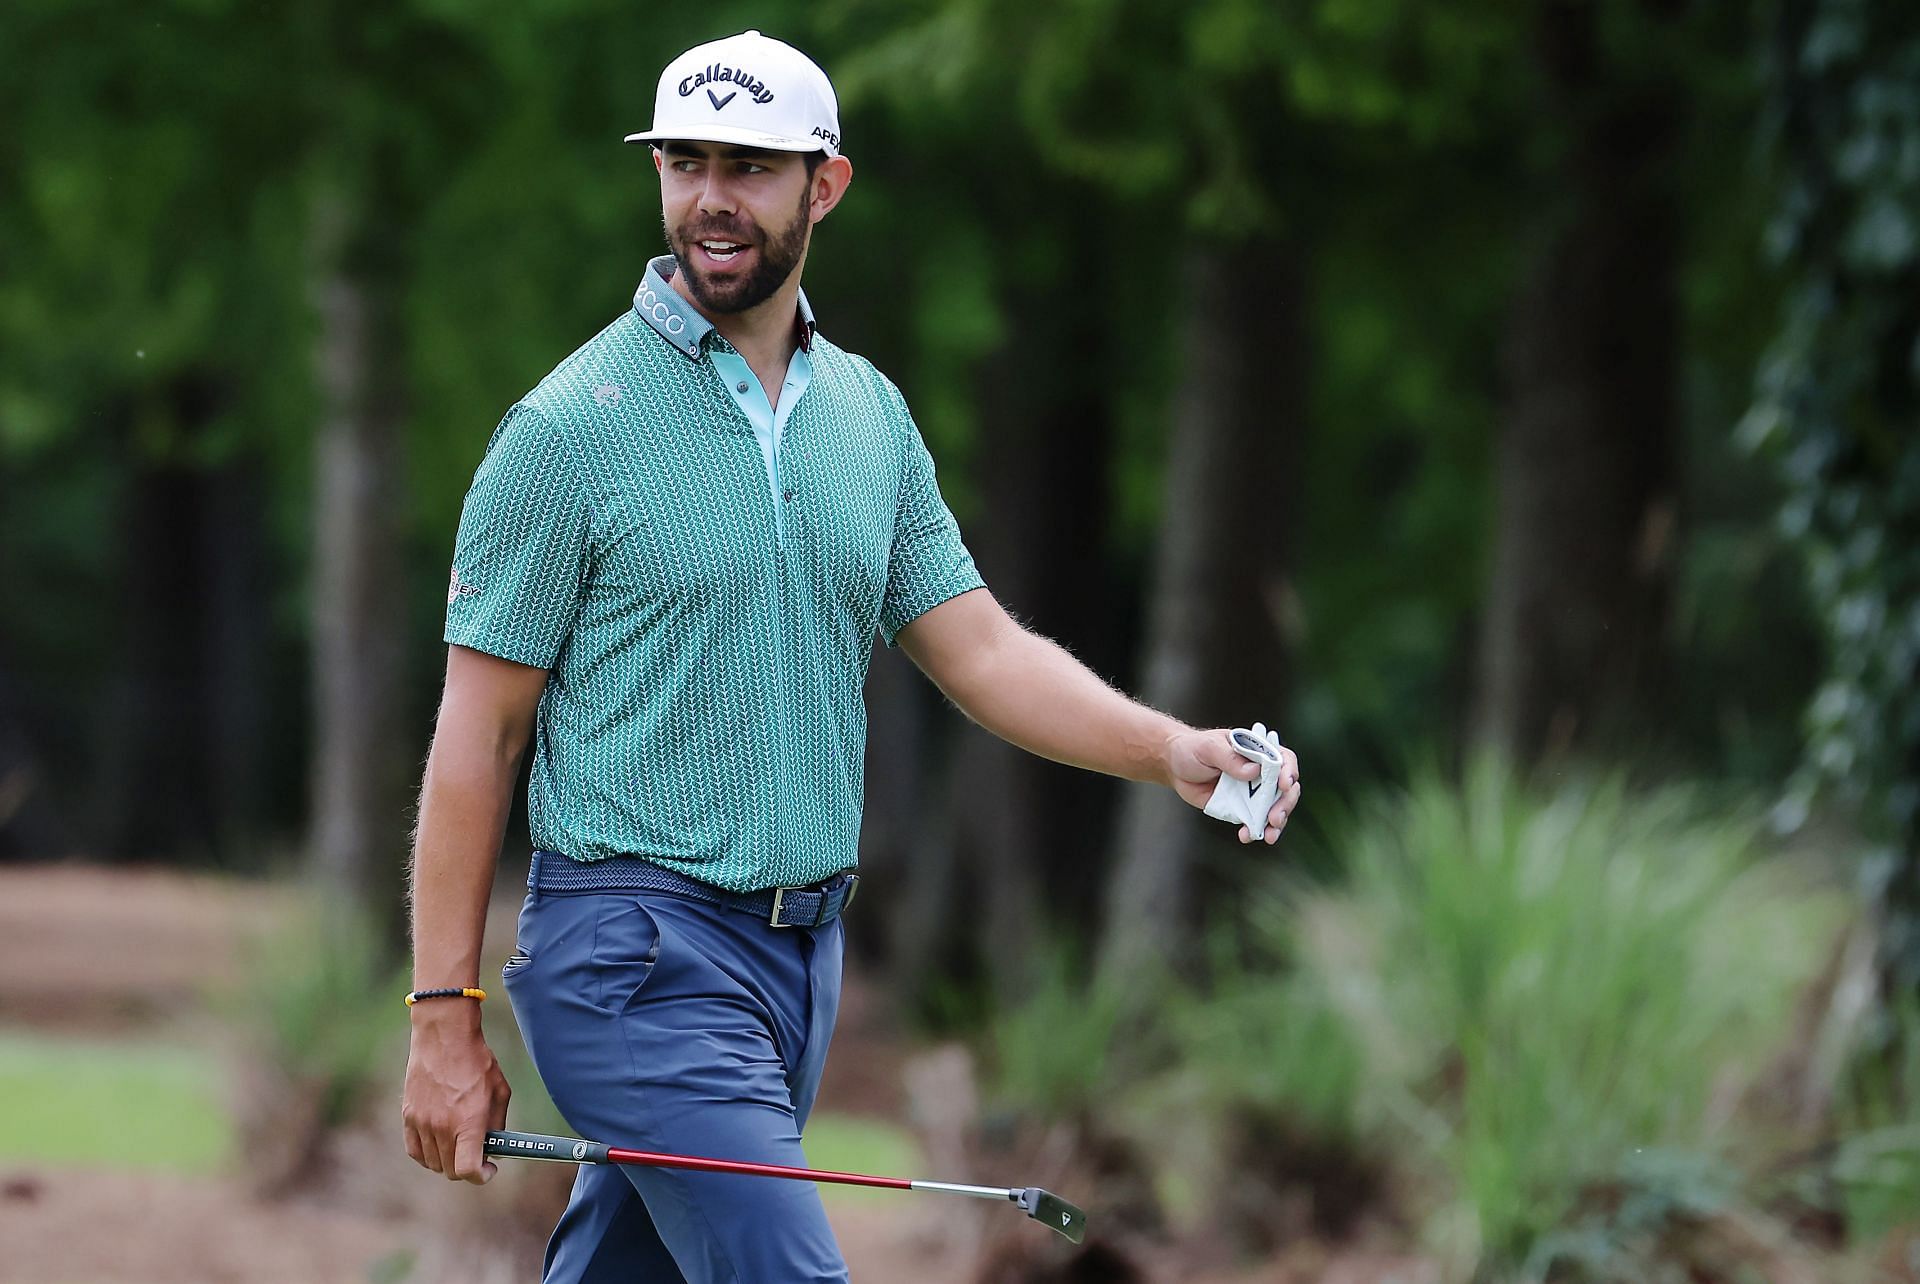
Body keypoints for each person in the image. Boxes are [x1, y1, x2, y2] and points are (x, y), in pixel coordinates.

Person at [401, 28, 1302, 1284]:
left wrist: (1175, 753)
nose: (712, 197)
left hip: (800, 962)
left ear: (824, 185)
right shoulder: (565, 432)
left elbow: (981, 652)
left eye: (752, 167)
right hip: (633, 956)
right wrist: (442, 1021)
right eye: (686, 162)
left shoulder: (868, 417)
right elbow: (476, 738)